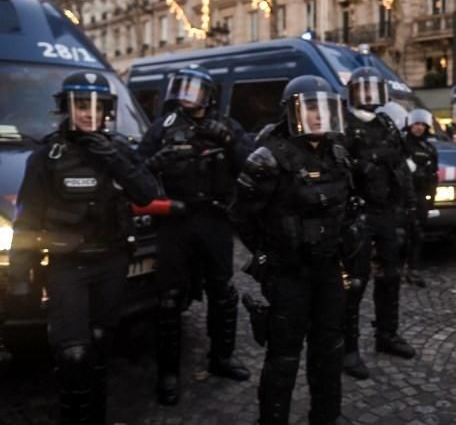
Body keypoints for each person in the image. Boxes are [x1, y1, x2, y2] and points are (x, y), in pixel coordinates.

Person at [6, 71, 157, 424]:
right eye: (81, 105)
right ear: (66, 107)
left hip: (112, 262)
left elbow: (149, 194)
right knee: (74, 353)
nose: (90, 113)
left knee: (101, 344)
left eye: (97, 106)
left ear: (107, 109)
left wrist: (114, 158)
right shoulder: (48, 155)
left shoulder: (118, 148)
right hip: (66, 265)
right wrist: (19, 277)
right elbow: (26, 221)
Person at [231, 75, 352, 425]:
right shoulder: (267, 157)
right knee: (283, 357)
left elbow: (345, 208)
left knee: (329, 351)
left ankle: (325, 417)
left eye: (324, 107)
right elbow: (241, 215)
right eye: (310, 107)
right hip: (288, 274)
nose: (318, 115)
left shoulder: (338, 153)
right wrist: (266, 255)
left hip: (327, 270)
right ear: (292, 111)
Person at [138, 65, 252, 405]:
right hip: (176, 220)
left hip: (215, 219)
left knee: (222, 292)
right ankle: (168, 373)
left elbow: (250, 166)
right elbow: (136, 172)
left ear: (209, 95)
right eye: (182, 88)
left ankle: (222, 357)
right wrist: (156, 163)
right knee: (170, 298)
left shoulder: (227, 125)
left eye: (195, 89)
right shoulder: (163, 128)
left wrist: (229, 142)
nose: (187, 95)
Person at [342, 66, 417, 380]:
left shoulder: (387, 124)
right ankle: (347, 348)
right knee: (354, 283)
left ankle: (387, 334)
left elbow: (402, 166)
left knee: (390, 276)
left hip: (386, 212)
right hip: (357, 215)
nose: (370, 97)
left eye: (375, 90)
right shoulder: (343, 126)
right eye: (364, 90)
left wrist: (408, 208)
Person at [402, 108, 439, 287]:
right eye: (416, 124)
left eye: (422, 124)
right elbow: (403, 172)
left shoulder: (428, 147)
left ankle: (413, 268)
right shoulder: (404, 144)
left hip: (422, 196)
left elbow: (433, 173)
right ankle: (402, 268)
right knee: (404, 233)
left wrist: (432, 197)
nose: (419, 128)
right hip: (406, 197)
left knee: (418, 234)